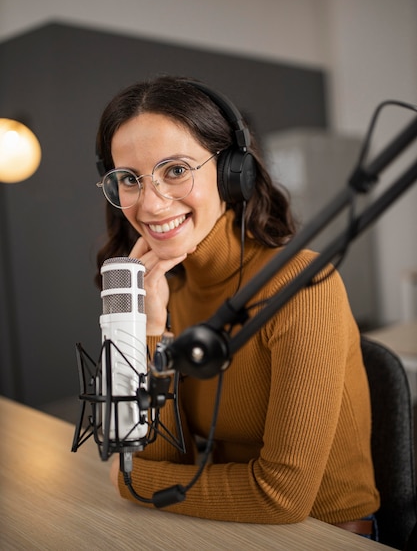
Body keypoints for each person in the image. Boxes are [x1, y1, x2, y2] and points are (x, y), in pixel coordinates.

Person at [94, 75, 380, 536]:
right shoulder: (166, 288)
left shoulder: (304, 283)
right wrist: (146, 327)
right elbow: (165, 454)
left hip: (325, 536)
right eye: (130, 179)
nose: (150, 203)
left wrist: (133, 481)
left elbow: (280, 496)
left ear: (232, 172)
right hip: (225, 528)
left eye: (176, 170)